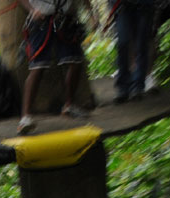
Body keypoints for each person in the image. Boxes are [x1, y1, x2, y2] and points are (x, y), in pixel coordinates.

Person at [17, 0, 95, 135]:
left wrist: (92, 15)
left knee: (75, 62)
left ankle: (69, 105)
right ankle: (25, 117)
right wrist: (32, 10)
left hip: (65, 20)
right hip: (41, 21)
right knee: (37, 68)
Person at [110, 0, 156, 103]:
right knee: (123, 42)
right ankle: (123, 87)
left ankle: (137, 86)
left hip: (144, 5)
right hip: (122, 6)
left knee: (141, 44)